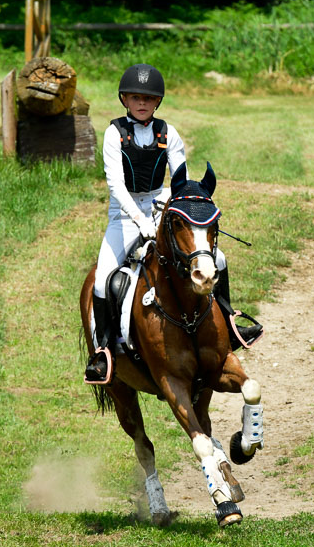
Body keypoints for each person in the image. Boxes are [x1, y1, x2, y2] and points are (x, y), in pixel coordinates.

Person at [84, 63, 262, 385]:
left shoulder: (169, 133)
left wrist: (180, 208)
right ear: (125, 99)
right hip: (123, 213)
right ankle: (103, 351)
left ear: (157, 103)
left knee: (216, 258)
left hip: (160, 201)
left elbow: (180, 181)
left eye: (149, 99)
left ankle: (230, 323)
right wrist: (139, 221)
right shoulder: (113, 133)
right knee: (102, 279)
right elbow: (116, 186)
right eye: (136, 97)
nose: (142, 103)